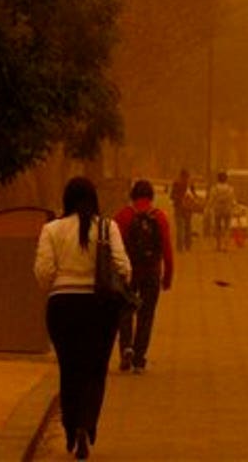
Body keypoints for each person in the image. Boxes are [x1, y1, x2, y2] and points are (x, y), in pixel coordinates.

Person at [34, 176, 132, 459]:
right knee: (96, 369)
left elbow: (43, 274)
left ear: (67, 200)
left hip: (62, 306)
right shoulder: (107, 226)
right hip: (100, 307)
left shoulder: (51, 230)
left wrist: (63, 279)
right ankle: (87, 425)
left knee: (70, 368)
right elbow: (123, 268)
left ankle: (70, 425)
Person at [111, 179, 174, 373]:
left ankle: (126, 349)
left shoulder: (123, 216)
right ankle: (139, 359)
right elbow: (166, 249)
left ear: (132, 195)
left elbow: (114, 247)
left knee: (125, 312)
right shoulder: (159, 217)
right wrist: (168, 276)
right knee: (146, 315)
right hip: (151, 272)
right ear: (151, 197)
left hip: (128, 273)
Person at [168, 169, 197, 252]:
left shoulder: (176, 184)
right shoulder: (190, 185)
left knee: (180, 227)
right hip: (188, 209)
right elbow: (194, 196)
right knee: (188, 227)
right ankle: (188, 245)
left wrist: (178, 199)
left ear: (180, 175)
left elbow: (172, 196)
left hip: (178, 207)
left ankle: (180, 247)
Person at [207, 170, 237, 252]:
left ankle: (218, 245)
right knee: (227, 228)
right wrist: (235, 207)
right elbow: (233, 200)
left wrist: (208, 208)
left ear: (217, 179)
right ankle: (226, 246)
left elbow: (211, 200)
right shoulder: (230, 189)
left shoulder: (214, 188)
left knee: (217, 228)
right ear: (226, 179)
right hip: (227, 209)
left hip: (217, 210)